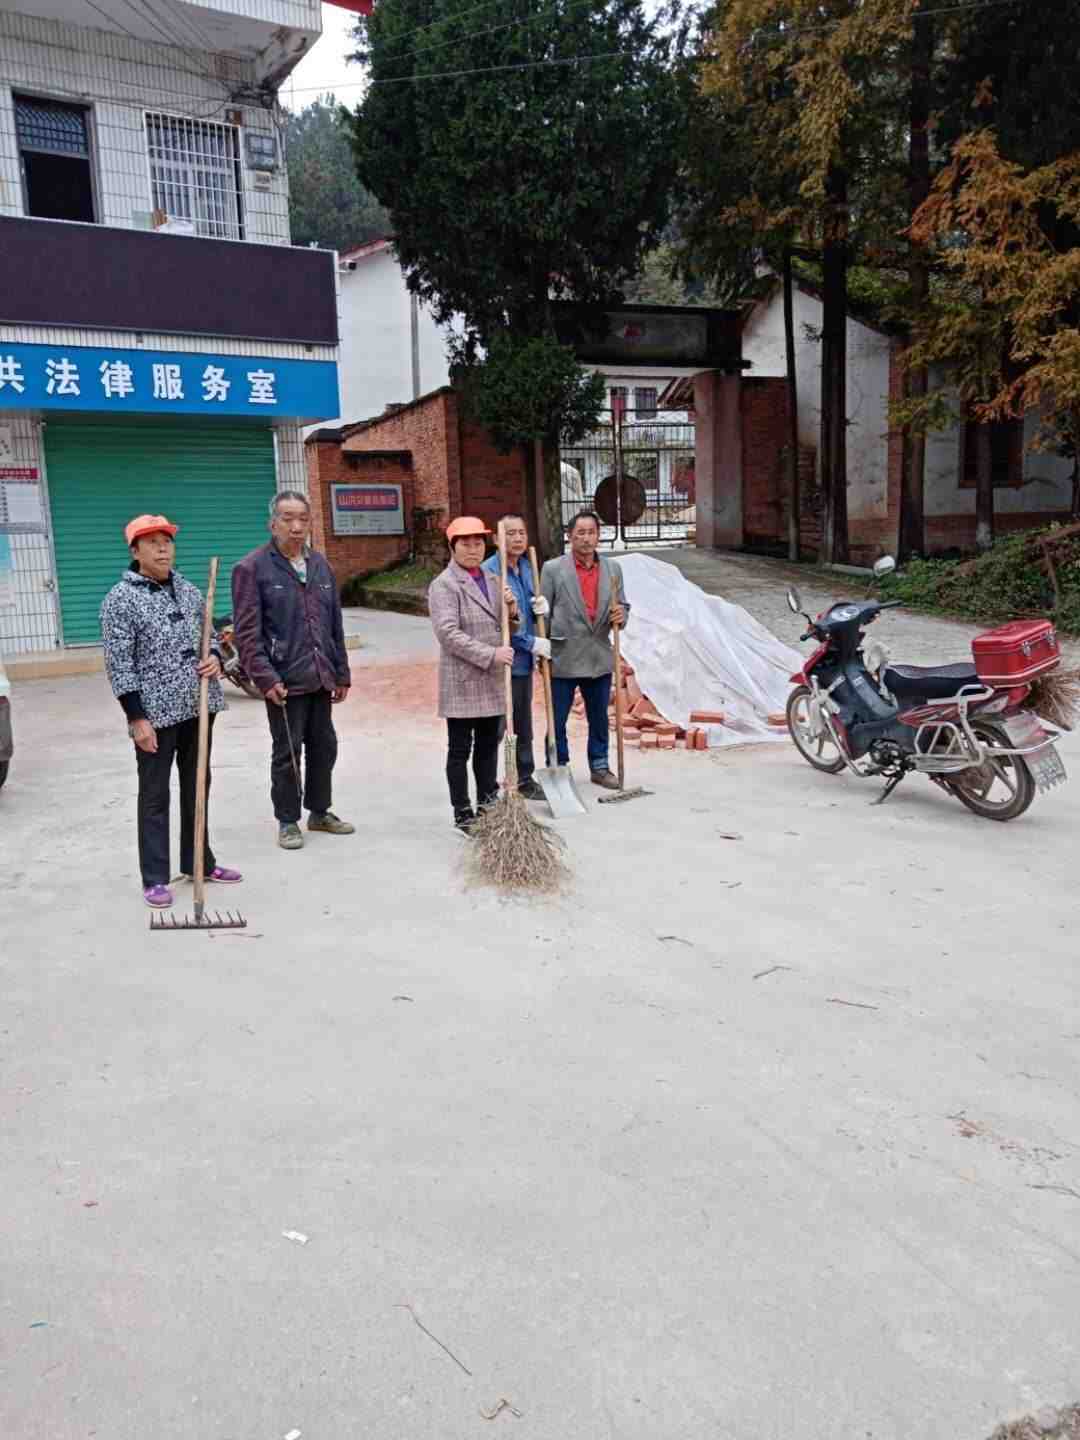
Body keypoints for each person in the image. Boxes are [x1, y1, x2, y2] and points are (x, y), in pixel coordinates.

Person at [100, 514, 243, 908]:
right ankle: (155, 878)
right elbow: (119, 664)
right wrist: (136, 718)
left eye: (167, 541)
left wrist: (215, 658)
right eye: (152, 542)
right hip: (155, 715)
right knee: (155, 794)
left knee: (198, 786)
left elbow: (208, 637)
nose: (163, 548)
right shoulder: (120, 599)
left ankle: (199, 862)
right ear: (135, 551)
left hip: (199, 706)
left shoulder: (188, 589)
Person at [231, 490, 354, 850]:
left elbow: (334, 624)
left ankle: (319, 811)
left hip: (321, 675)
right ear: (273, 524)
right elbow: (247, 634)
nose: (296, 526)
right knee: (287, 752)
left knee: (324, 747)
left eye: (303, 518)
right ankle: (287, 820)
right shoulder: (252, 568)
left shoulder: (319, 565)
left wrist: (341, 672)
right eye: (288, 519)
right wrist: (265, 678)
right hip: (284, 680)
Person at [428, 515, 521, 834]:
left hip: (492, 680)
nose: (473, 549)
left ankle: (487, 803)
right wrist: (491, 654)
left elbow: (507, 627)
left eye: (478, 542)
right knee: (459, 749)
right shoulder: (444, 585)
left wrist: (513, 611)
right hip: (463, 680)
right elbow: (448, 634)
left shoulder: (494, 580)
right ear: (452, 547)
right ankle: (462, 812)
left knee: (488, 746)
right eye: (465, 543)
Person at [539, 509, 629, 789]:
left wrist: (622, 614)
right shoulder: (553, 569)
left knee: (600, 717)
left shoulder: (613, 569)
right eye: (581, 533)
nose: (587, 538)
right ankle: (558, 767)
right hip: (563, 655)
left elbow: (622, 605)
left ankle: (600, 766)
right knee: (557, 719)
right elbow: (542, 614)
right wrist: (541, 650)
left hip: (598, 654)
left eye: (592, 532)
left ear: (598, 536)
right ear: (570, 536)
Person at [481, 513, 552, 802]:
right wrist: (532, 642)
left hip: (522, 665)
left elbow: (529, 614)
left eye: (521, 532)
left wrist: (540, 611)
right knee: (496, 727)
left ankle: (524, 778)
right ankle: (487, 784)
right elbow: (499, 625)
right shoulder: (490, 572)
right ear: (496, 539)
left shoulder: (527, 567)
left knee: (523, 722)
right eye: (510, 533)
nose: (518, 538)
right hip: (500, 661)